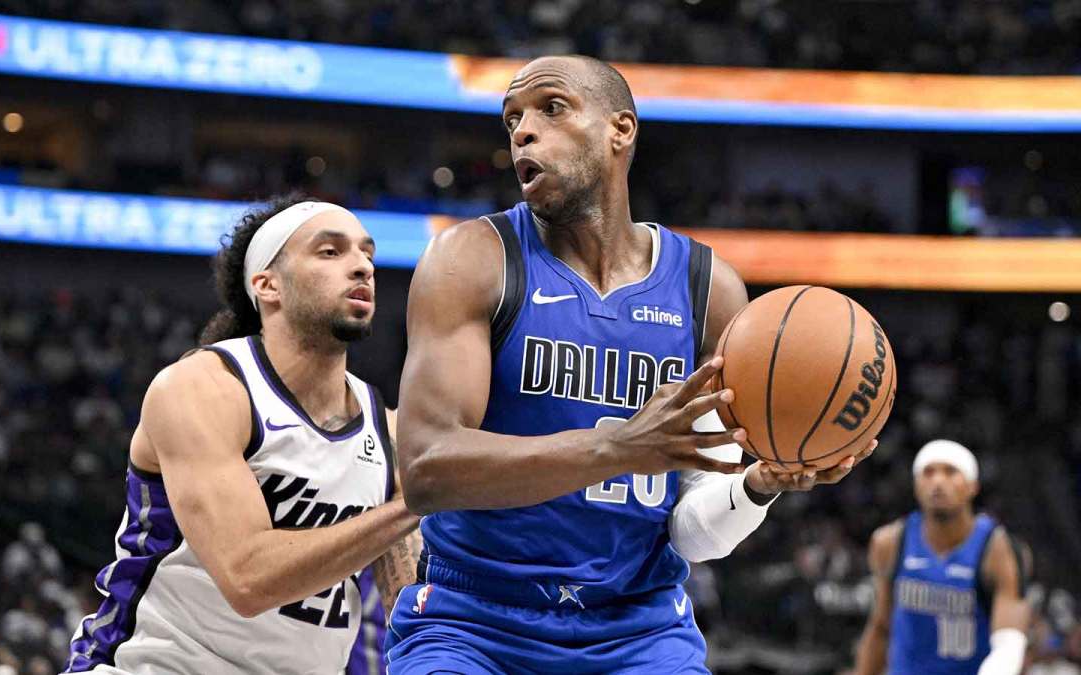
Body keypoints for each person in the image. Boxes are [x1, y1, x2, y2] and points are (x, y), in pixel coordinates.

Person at [387, 55, 877, 674]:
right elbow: (428, 470)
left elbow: (694, 530)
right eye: (512, 118)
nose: (522, 131)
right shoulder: (473, 260)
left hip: (636, 628)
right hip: (476, 621)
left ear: (621, 130)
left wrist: (759, 486)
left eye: (551, 108)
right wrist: (618, 447)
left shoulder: (709, 291)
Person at [62, 197, 421, 674]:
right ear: (267, 285)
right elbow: (248, 579)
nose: (361, 267)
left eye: (366, 253)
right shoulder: (204, 389)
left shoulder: (387, 428)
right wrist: (417, 502)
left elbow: (410, 606)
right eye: (330, 252)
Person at [855, 439, 1030, 674]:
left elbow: (1009, 644)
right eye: (928, 472)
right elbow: (880, 628)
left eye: (951, 472)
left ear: (973, 486)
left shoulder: (998, 549)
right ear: (916, 485)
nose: (938, 481)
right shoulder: (890, 541)